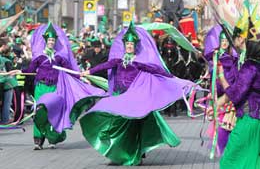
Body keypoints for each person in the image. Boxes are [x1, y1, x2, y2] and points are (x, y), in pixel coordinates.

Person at [79, 22, 201, 165]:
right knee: (118, 120)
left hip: (137, 99)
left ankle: (137, 151)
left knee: (136, 125)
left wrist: (175, 79)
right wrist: (88, 72)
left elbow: (157, 70)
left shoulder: (139, 62)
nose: (129, 46)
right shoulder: (118, 60)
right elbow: (105, 66)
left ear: (135, 46)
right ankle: (120, 147)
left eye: (132, 44)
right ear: (124, 45)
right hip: (122, 96)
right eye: (127, 44)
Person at [14, 22, 105, 150]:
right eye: (49, 40)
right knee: (39, 111)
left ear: (55, 41)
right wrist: (19, 71)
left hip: (55, 88)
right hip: (41, 87)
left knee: (53, 113)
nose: (51, 42)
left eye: (53, 40)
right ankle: (38, 140)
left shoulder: (59, 58)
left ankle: (53, 138)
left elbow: (70, 71)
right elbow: (30, 69)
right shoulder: (39, 57)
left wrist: (81, 77)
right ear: (46, 41)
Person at [208, 22, 260, 168]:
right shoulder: (254, 65)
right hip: (255, 119)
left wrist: (222, 79)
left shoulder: (250, 66)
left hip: (249, 120)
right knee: (252, 161)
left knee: (229, 160)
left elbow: (236, 93)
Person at [204, 27, 239, 156]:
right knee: (220, 136)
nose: (224, 42)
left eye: (226, 40)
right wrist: (211, 92)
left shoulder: (234, 60)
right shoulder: (214, 59)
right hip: (219, 100)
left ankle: (230, 159)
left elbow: (233, 81)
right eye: (222, 40)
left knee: (228, 133)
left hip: (230, 100)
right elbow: (214, 81)